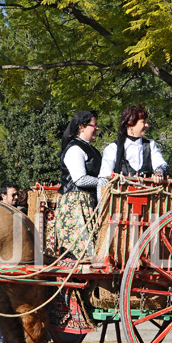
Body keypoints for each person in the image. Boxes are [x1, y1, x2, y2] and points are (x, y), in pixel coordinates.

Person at [55, 110, 103, 259]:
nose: (97, 128)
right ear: (81, 127)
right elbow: (79, 179)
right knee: (78, 251)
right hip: (75, 204)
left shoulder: (90, 149)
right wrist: (103, 182)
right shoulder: (75, 148)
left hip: (86, 202)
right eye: (93, 125)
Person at [99, 105, 168, 183]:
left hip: (147, 193)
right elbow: (104, 178)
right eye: (143, 122)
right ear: (131, 124)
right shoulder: (113, 148)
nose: (147, 125)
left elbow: (160, 163)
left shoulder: (150, 145)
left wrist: (159, 172)